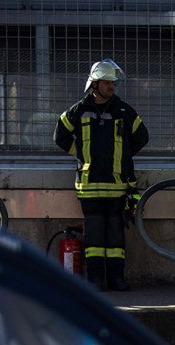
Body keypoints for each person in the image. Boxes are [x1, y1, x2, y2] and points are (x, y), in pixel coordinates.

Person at [54, 59, 148, 291]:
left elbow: (142, 137)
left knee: (116, 235)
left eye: (113, 83)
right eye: (106, 83)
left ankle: (116, 279)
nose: (111, 87)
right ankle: (95, 280)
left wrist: (123, 155)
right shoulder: (79, 110)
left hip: (117, 186)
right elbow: (60, 135)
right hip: (89, 186)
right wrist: (80, 153)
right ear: (94, 85)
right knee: (94, 235)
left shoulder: (123, 110)